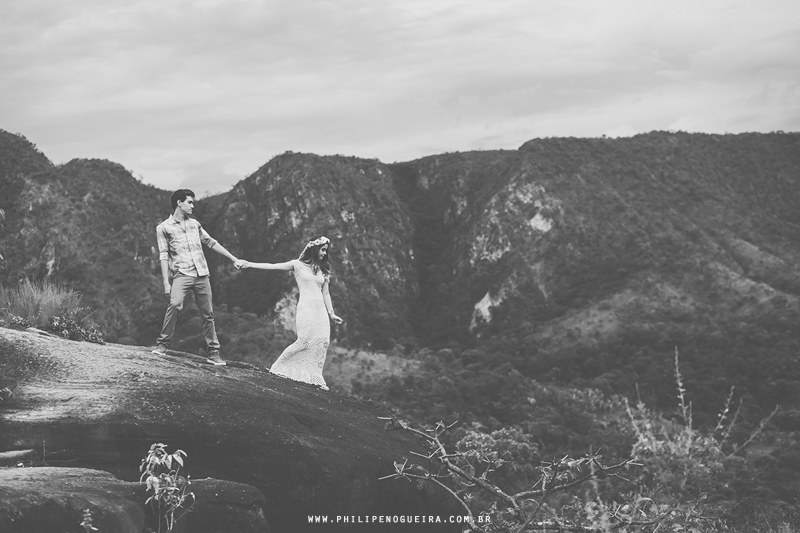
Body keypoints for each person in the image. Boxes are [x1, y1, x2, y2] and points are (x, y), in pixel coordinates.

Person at [151, 189, 243, 365]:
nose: (193, 205)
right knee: (175, 304)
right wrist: (166, 282)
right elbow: (163, 255)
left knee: (208, 314)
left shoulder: (195, 224)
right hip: (182, 274)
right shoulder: (163, 228)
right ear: (179, 203)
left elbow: (211, 242)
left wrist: (233, 258)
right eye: (190, 202)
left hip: (201, 274)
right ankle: (162, 344)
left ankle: (213, 352)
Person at [239, 235, 343, 390]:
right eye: (322, 250)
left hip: (320, 310)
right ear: (314, 248)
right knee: (304, 340)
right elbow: (272, 266)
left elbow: (326, 293)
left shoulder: (323, 269)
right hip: (306, 308)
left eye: (325, 251)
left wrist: (331, 313)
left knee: (322, 342)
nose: (324, 254)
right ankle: (278, 368)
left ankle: (315, 377)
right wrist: (248, 264)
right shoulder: (297, 265)